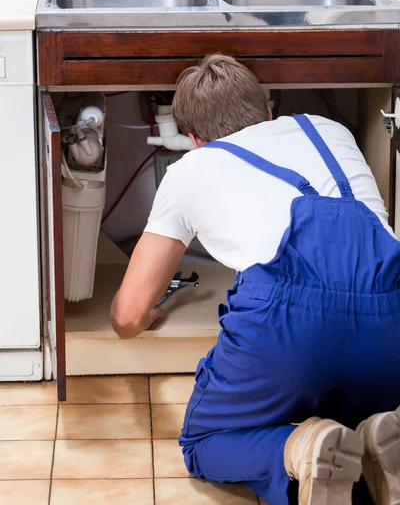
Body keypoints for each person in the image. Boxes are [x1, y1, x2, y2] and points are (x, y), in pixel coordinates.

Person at [111, 54, 400, 505]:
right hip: (390, 315)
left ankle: (297, 448)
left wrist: (148, 315)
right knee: (347, 401)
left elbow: (126, 317)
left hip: (289, 329)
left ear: (193, 139)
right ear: (267, 111)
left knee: (204, 442)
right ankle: (375, 434)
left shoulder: (189, 171)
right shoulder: (328, 129)